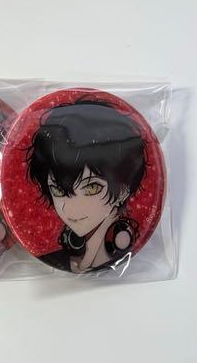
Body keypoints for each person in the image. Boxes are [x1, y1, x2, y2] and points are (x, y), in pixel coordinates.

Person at [26, 98, 147, 273]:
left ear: (123, 190)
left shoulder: (118, 247)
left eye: (92, 188)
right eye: (58, 190)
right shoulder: (57, 257)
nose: (71, 208)